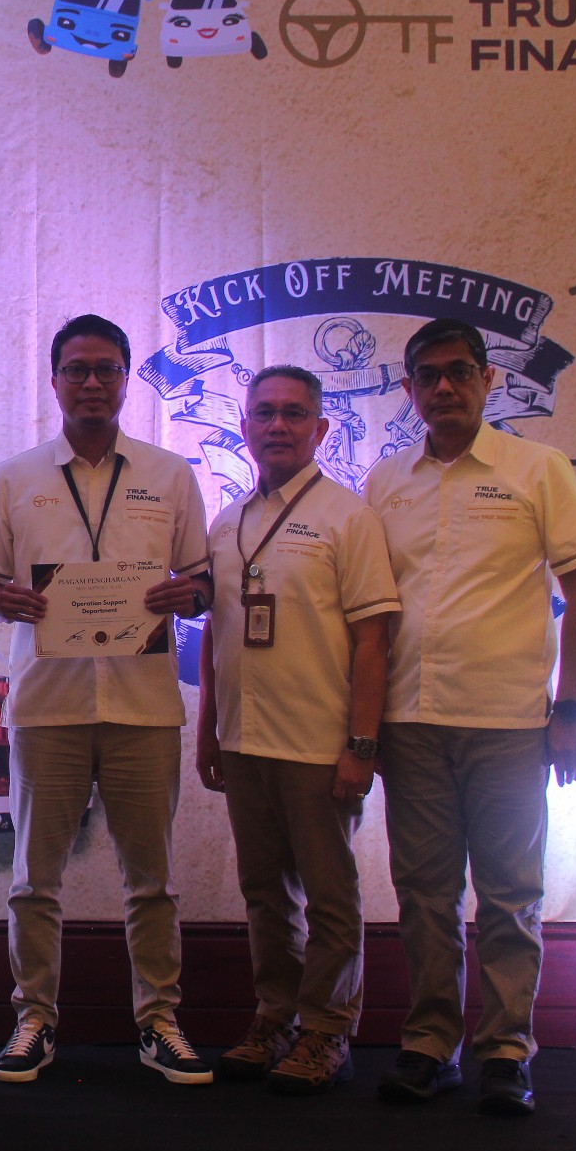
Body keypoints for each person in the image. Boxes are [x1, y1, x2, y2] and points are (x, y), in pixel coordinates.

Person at [366, 317, 576, 1116]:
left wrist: (570, 709)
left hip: (509, 721)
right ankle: (431, 1043)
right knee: (424, 893)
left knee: (509, 893)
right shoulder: (386, 481)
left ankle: (506, 1049)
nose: (444, 387)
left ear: (487, 379)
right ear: (409, 389)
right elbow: (370, 610)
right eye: (428, 375)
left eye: (460, 371)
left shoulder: (537, 468)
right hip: (410, 719)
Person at [0, 314, 214, 1085]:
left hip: (144, 706)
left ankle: (160, 1021)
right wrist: (3, 599)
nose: (91, 382)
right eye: (76, 369)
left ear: (125, 379)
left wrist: (190, 593)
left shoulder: (170, 475)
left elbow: (202, 579)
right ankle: (33, 1018)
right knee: (33, 879)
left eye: (106, 368)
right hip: (48, 705)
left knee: (153, 881)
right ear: (53, 380)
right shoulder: (13, 478)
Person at [197, 366, 398, 1095]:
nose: (277, 425)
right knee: (264, 892)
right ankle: (274, 1017)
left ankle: (327, 1028)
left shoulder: (349, 518)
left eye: (293, 413)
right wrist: (208, 730)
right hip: (244, 740)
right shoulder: (227, 521)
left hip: (318, 744)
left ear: (321, 427)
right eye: (264, 413)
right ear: (245, 426)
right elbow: (219, 631)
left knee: (330, 896)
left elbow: (373, 640)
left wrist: (361, 746)